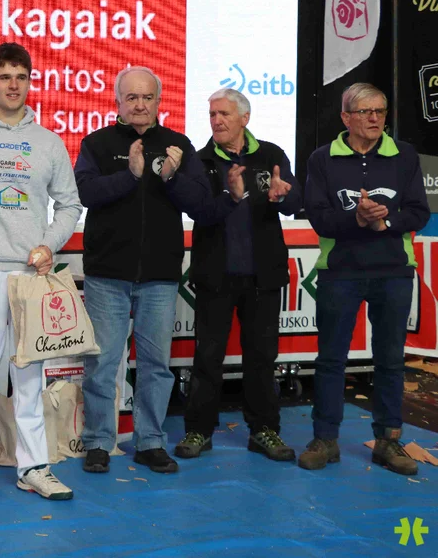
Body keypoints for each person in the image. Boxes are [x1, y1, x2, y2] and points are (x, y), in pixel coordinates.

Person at [73, 66, 237, 475]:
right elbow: (85, 193)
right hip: (107, 274)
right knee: (102, 365)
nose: (140, 104)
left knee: (155, 366)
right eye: (132, 97)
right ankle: (98, 442)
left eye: (147, 97)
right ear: (118, 101)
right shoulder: (96, 143)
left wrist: (171, 177)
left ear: (159, 101)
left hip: (160, 277)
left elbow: (201, 205)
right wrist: (129, 175)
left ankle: (150, 441)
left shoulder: (179, 145)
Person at [0, 43, 82, 501]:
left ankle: (33, 466)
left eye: (21, 77)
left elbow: (69, 205)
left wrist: (49, 244)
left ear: (30, 82)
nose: (13, 85)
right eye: (4, 77)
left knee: (29, 375)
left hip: (31, 277)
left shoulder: (48, 142)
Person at [300, 83, 429, 475]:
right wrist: (356, 219)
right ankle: (325, 439)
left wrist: (384, 222)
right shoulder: (322, 159)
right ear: (346, 117)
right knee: (331, 359)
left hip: (393, 272)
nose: (375, 118)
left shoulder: (404, 155)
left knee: (390, 360)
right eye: (365, 112)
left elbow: (419, 211)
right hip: (341, 272)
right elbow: (319, 217)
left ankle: (388, 441)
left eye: (380, 111)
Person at [174, 88, 301, 463]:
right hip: (215, 276)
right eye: (212, 114)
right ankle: (199, 430)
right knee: (207, 357)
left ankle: (264, 430)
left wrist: (283, 195)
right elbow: (199, 211)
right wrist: (230, 195)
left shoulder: (271, 155)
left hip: (263, 277)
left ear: (245, 118)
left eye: (224, 114)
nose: (216, 121)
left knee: (262, 358)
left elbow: (296, 202)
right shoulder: (200, 161)